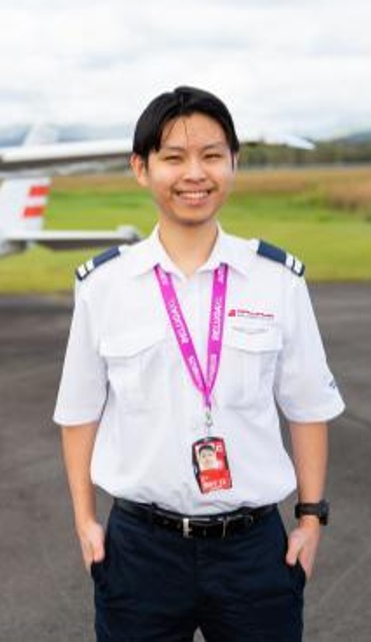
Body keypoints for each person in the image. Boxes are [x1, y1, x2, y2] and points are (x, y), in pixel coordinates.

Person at [54, 86, 345, 641]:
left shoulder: (276, 280)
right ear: (141, 168)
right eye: (173, 157)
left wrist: (311, 519)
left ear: (234, 162)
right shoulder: (105, 286)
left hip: (253, 553)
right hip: (140, 551)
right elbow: (79, 412)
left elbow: (308, 406)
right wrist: (85, 521)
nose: (195, 173)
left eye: (212, 155)